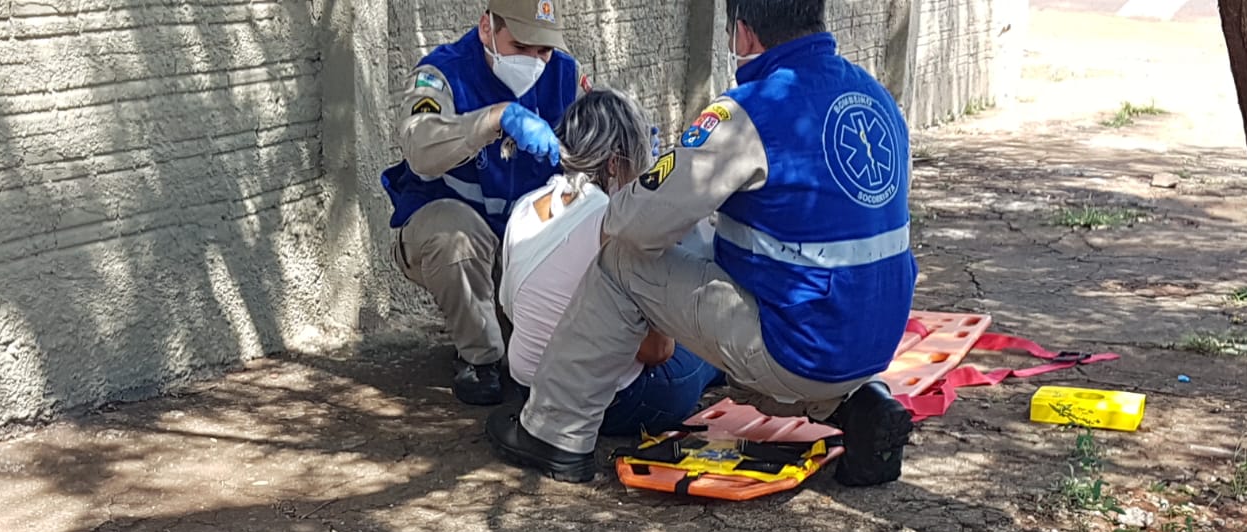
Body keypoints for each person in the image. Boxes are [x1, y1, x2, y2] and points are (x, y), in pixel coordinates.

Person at [487, 0, 918, 486]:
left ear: (743, 35)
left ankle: (554, 432)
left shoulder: (750, 112)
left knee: (622, 259)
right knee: (759, 269)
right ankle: (862, 405)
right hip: (873, 339)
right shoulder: (876, 97)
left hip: (798, 349)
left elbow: (636, 223)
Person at [381, 0, 586, 406]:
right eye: (521, 46)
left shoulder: (567, 75)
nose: (534, 60)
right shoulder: (442, 73)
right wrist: (493, 120)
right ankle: (480, 359)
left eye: (542, 50)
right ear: (487, 29)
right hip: (455, 235)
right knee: (453, 236)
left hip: (526, 247)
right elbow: (420, 147)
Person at [500, 89, 726, 436]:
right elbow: (657, 351)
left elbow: (512, 306)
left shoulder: (526, 206)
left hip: (530, 387)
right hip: (611, 402)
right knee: (705, 349)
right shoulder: (615, 225)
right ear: (614, 163)